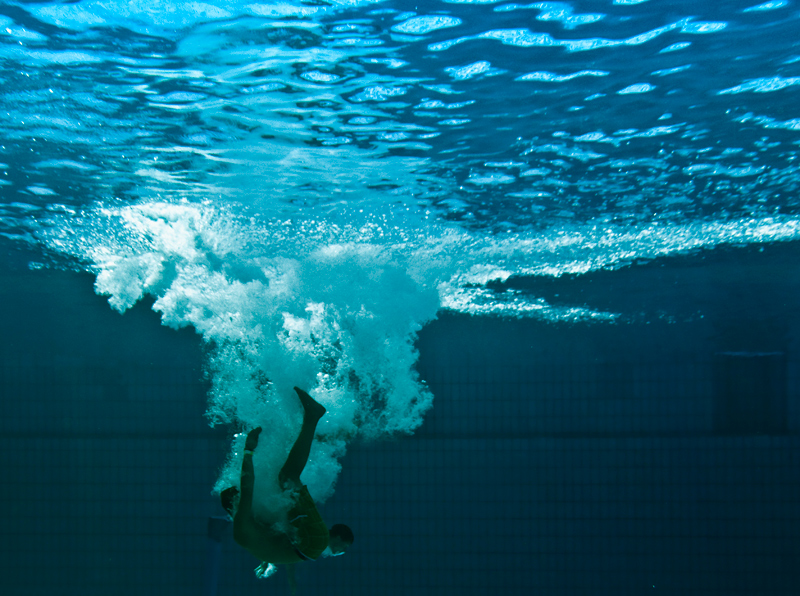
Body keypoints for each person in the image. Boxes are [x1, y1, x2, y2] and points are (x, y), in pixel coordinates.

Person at [220, 386, 354, 593]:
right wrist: (248, 450)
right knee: (287, 478)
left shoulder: (251, 532)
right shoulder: (242, 525)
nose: (248, 503)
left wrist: (267, 561)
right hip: (311, 542)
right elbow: (247, 489)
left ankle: (311, 423)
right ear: (233, 506)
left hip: (308, 544)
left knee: (286, 481)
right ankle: (312, 417)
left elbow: (276, 543)